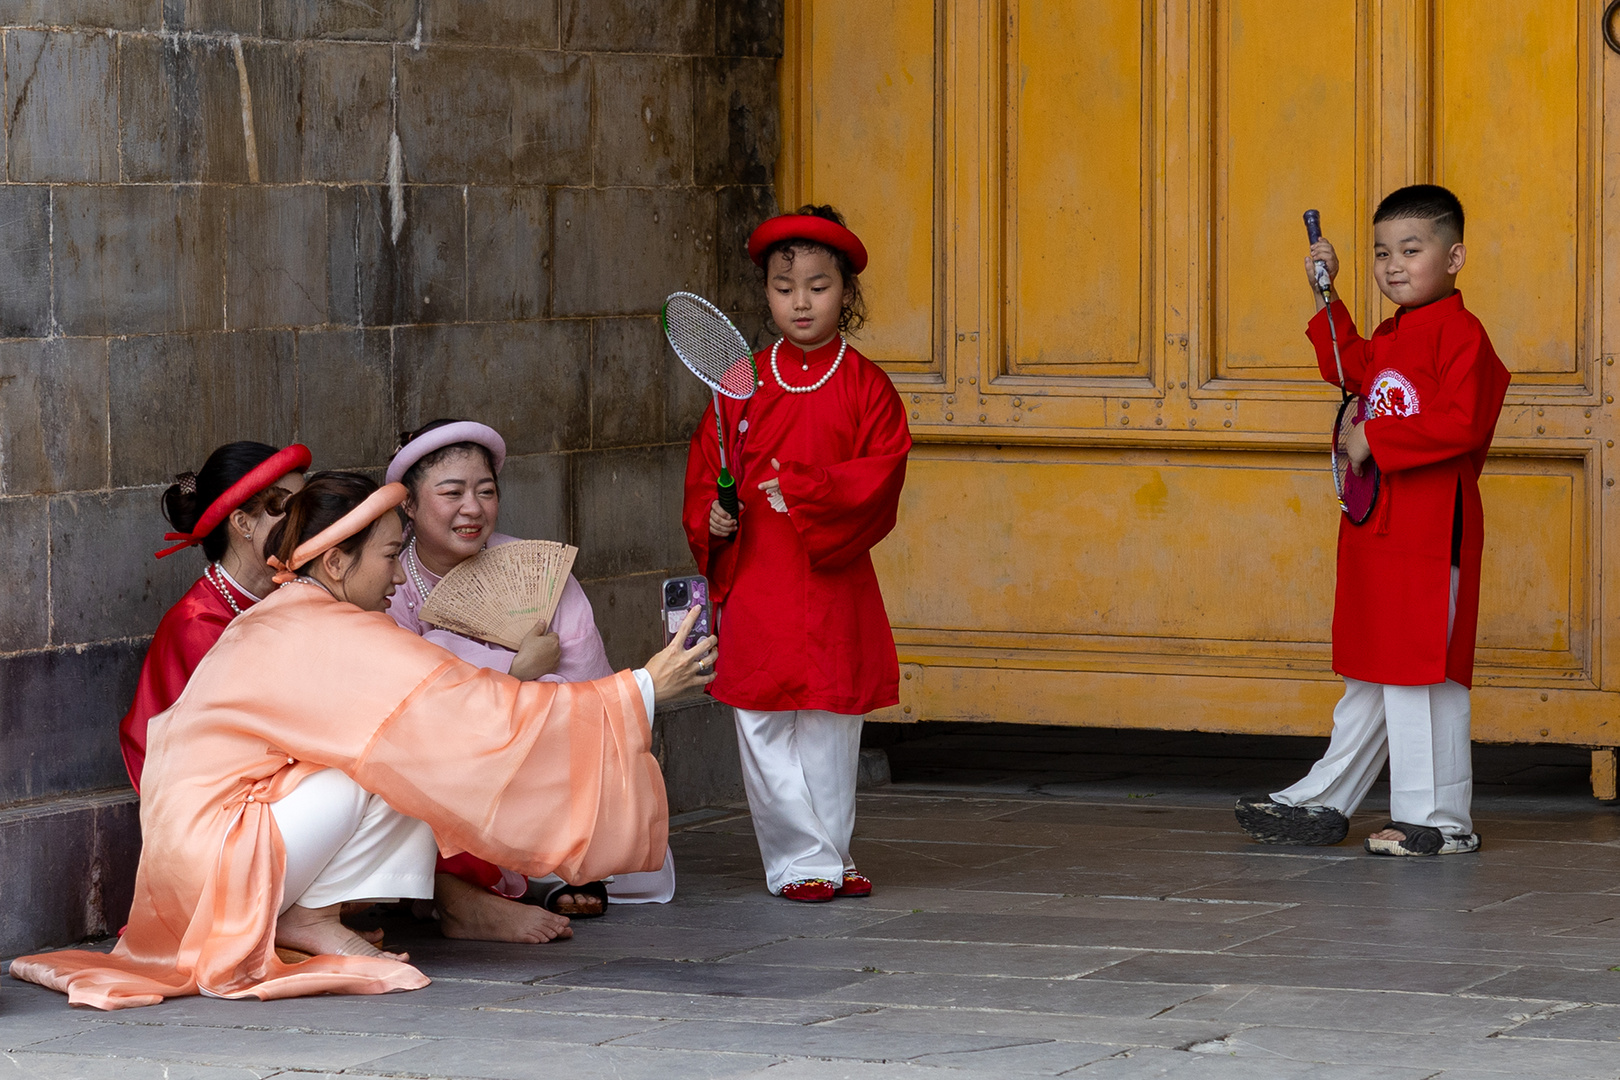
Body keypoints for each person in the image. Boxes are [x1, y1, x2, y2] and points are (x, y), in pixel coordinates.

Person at [9, 472, 717, 1010]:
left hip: (210, 846)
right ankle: (305, 913)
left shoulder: (302, 611)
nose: (399, 575)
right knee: (399, 752)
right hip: (214, 858)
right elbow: (463, 710)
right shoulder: (320, 626)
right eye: (389, 556)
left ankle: (309, 914)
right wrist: (640, 691)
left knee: (401, 748)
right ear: (337, 564)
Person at [1234, 185, 1511, 856]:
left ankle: (1438, 821)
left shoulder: (1463, 334)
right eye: (1383, 252)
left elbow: (1463, 420)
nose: (1394, 265)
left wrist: (1374, 441)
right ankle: (1325, 800)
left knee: (1421, 674)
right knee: (1373, 670)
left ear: (1455, 257)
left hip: (1427, 528)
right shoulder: (1390, 335)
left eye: (1412, 250)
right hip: (1381, 527)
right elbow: (1344, 362)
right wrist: (1325, 293)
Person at [681, 206, 911, 902]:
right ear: (766, 295)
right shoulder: (738, 383)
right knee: (761, 720)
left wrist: (807, 489)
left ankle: (829, 858)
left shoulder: (867, 387)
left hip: (833, 577)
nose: (801, 301)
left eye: (818, 285)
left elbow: (885, 472)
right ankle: (801, 862)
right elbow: (704, 478)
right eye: (785, 287)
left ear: (847, 294)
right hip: (761, 576)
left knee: (833, 724)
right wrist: (715, 517)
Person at [384, 420, 677, 938]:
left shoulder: (540, 574)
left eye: (486, 491)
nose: (471, 508)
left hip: (544, 751)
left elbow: (592, 686)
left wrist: (531, 697)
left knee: (572, 709)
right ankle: (472, 888)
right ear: (408, 504)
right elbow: (404, 696)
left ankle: (554, 866)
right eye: (451, 493)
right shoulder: (391, 581)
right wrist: (512, 672)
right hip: (450, 757)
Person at [120, 441, 311, 789]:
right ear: (242, 522)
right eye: (289, 509)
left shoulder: (296, 591)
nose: (306, 523)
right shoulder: (196, 624)